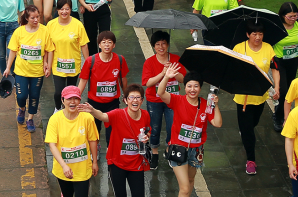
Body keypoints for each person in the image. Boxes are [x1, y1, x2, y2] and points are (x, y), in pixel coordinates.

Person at [157, 66, 222, 196]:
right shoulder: (177, 100)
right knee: (185, 188)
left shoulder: (205, 104)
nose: (192, 89)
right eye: (189, 86)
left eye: (196, 86)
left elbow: (217, 123)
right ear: (185, 87)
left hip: (196, 150)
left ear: (200, 88)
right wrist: (166, 76)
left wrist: (216, 105)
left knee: (191, 180)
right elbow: (161, 93)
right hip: (178, 148)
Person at [79, 84, 151, 197]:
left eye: (138, 97)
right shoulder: (118, 114)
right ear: (125, 100)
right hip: (117, 164)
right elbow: (103, 116)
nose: (135, 100)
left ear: (142, 100)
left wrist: (147, 137)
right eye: (131, 97)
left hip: (136, 163)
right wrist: (92, 110)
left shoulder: (145, 115)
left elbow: (147, 130)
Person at [233, 20, 281, 175]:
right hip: (243, 98)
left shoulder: (268, 48)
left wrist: (277, 87)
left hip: (261, 97)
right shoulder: (239, 48)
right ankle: (251, 160)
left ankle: (246, 132)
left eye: (260, 34)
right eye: (254, 34)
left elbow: (275, 68)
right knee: (247, 131)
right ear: (248, 34)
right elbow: (232, 68)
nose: (258, 37)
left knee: (254, 123)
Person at [4, 5, 54, 133]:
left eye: (37, 17)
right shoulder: (19, 32)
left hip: (37, 72)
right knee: (21, 96)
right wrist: (8, 68)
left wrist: (47, 64)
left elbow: (49, 49)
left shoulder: (44, 30)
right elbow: (13, 51)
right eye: (33, 18)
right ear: (26, 18)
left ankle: (30, 118)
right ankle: (22, 109)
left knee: (34, 96)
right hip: (21, 71)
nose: (36, 20)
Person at [45, 85, 99, 197]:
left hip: (82, 169)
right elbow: (52, 145)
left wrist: (94, 162)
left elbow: (93, 140)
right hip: (62, 169)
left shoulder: (87, 118)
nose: (73, 102)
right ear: (62, 100)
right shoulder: (55, 119)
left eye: (76, 98)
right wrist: (64, 166)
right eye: (69, 99)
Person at [78, 31, 129, 147]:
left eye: (110, 42)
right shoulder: (91, 61)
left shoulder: (120, 60)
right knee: (94, 131)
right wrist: (76, 97)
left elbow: (123, 78)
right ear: (99, 45)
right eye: (104, 42)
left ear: (114, 45)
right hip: (94, 102)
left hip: (113, 103)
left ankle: (110, 151)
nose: (107, 45)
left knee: (112, 131)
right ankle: (95, 150)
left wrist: (126, 95)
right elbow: (83, 81)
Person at [141, 31, 186, 161]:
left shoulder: (176, 59)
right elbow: (147, 82)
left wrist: (173, 72)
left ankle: (169, 148)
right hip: (154, 100)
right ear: (153, 46)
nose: (161, 47)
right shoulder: (149, 63)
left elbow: (183, 79)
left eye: (164, 44)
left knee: (172, 125)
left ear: (168, 45)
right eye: (157, 44)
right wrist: (163, 73)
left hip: (173, 100)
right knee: (154, 127)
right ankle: (154, 151)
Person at [47, 0, 90, 110]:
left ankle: (68, 111)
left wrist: (88, 62)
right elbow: (48, 47)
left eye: (67, 9)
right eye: (61, 9)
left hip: (73, 65)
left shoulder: (78, 25)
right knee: (58, 92)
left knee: (71, 93)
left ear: (71, 9)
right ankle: (57, 109)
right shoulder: (51, 25)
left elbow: (84, 45)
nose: (64, 12)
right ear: (57, 10)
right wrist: (47, 64)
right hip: (58, 65)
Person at [273, 2, 298, 131]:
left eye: (295, 16)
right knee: (283, 91)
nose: (293, 19)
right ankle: (278, 116)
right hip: (279, 61)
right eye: (290, 17)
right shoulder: (277, 27)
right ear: (283, 16)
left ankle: (285, 111)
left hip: (293, 61)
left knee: (290, 90)